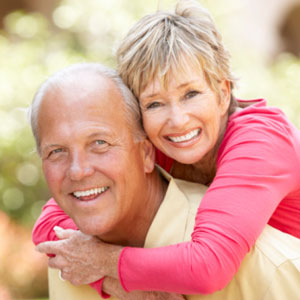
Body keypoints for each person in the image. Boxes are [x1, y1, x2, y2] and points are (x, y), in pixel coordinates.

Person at [33, 0, 300, 296]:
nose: (177, 120)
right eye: (155, 103)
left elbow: (207, 267)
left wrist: (105, 261)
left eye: (191, 94)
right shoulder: (159, 143)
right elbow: (51, 222)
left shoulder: (260, 142)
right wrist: (116, 284)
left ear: (223, 93)